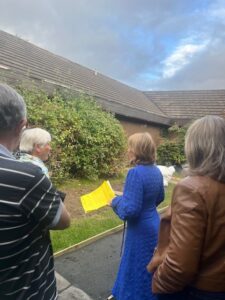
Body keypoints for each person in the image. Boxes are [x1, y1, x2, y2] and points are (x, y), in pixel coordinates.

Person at [0, 83, 71, 299]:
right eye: (48, 144)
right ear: (21, 125)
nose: (51, 148)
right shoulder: (29, 174)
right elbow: (64, 221)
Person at [150, 115, 225, 300]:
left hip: (195, 291)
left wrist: (157, 284)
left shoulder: (192, 188)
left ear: (195, 147)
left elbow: (179, 267)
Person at [109, 132, 164, 300]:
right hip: (154, 224)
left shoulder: (135, 173)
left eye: (130, 147)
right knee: (150, 266)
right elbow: (160, 197)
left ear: (137, 150)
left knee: (137, 266)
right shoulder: (156, 171)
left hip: (140, 230)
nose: (128, 150)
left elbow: (130, 210)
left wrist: (115, 201)